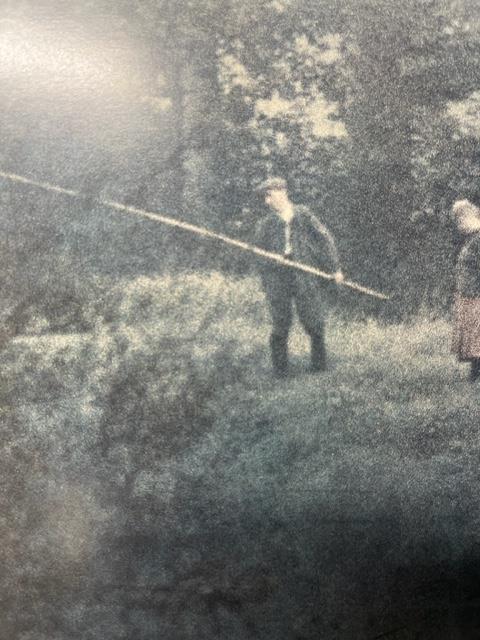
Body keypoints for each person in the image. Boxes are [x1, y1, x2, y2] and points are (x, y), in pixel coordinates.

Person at [254, 177, 344, 378]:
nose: (266, 202)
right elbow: (258, 256)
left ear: (281, 192)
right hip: (278, 278)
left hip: (303, 272)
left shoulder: (303, 215)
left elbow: (325, 239)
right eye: (264, 198)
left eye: (269, 196)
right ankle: (280, 371)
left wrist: (335, 268)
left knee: (313, 319)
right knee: (280, 323)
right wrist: (272, 260)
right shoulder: (265, 224)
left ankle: (319, 366)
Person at [452, 199, 480, 381]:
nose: (458, 225)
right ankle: (474, 375)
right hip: (468, 293)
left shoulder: (478, 239)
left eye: (459, 219)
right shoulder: (472, 238)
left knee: (476, 337)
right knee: (472, 338)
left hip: (476, 295)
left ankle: (475, 375)